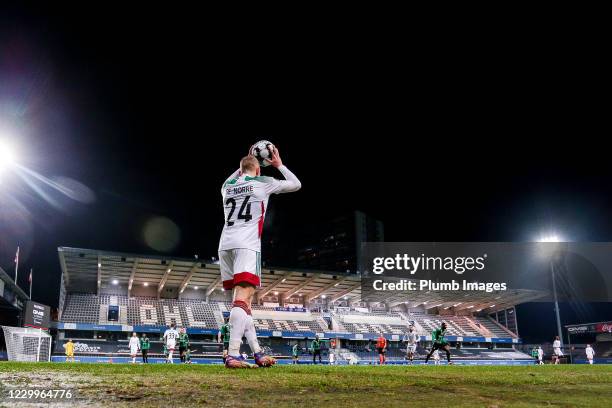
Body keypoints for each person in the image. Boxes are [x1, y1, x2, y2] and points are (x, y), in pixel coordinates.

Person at [219, 148, 301, 368]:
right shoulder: (262, 182)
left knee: (243, 302)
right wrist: (277, 165)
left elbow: (237, 175)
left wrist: (246, 162)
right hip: (247, 244)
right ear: (257, 168)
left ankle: (257, 352)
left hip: (225, 245)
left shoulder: (227, 187)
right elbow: (296, 184)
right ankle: (232, 355)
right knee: (243, 299)